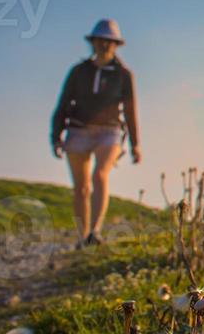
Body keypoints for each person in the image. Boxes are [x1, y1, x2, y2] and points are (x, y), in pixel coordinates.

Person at [50, 19, 141, 247]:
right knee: (80, 188)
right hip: (78, 129)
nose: (104, 45)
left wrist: (135, 144)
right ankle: (82, 236)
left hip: (109, 131)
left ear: (116, 45)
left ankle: (95, 232)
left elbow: (130, 111)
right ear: (93, 43)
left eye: (109, 42)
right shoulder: (78, 72)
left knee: (100, 175)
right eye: (100, 41)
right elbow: (62, 103)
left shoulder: (123, 75)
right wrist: (56, 135)